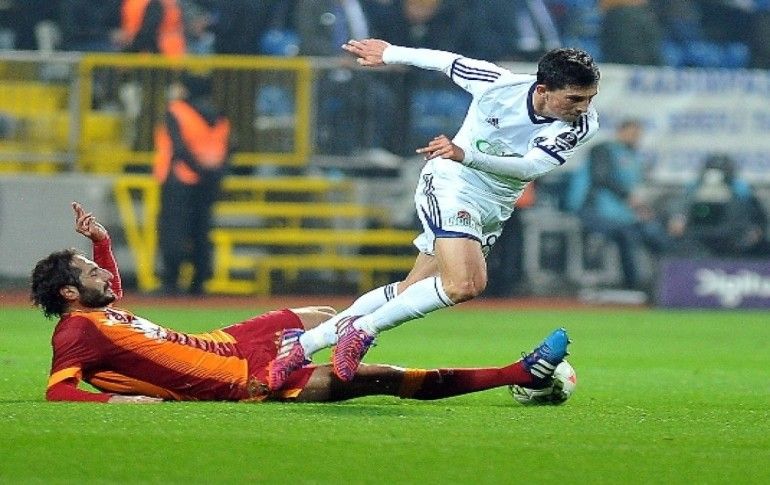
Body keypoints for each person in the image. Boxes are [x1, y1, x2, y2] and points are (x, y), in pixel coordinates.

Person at [267, 37, 595, 390]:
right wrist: (390, 53)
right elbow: (447, 60)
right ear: (543, 90)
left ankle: (302, 345)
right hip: (452, 185)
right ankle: (361, 329)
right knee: (464, 284)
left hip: (494, 204)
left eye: (589, 98)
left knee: (411, 290)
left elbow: (530, 167)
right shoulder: (498, 85)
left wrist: (465, 153)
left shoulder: (580, 125)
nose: (584, 107)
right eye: (574, 99)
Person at [31, 202, 568, 403]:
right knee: (380, 379)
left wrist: (101, 241)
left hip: (227, 342)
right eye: (91, 272)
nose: (104, 272)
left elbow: (114, 296)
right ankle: (517, 373)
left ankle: (360, 330)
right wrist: (119, 403)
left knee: (326, 317)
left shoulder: (99, 313)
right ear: (69, 294)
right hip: (238, 380)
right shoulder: (75, 332)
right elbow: (60, 393)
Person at [565, 119, 670, 290]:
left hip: (624, 214)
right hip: (592, 210)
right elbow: (602, 178)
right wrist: (628, 198)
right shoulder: (602, 151)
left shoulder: (633, 157)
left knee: (654, 232)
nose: (635, 138)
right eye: (632, 133)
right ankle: (631, 284)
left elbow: (637, 192)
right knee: (626, 234)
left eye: (638, 135)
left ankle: (663, 282)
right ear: (620, 132)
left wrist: (642, 209)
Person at [153, 73, 231, 295]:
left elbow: (179, 148)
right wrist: (213, 173)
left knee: (173, 232)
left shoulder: (177, 111)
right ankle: (199, 282)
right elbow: (227, 148)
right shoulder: (219, 115)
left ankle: (171, 281)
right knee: (202, 232)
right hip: (210, 181)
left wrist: (196, 170)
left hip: (180, 180)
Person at [666, 153, 769, 258]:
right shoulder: (692, 191)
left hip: (734, 242)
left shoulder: (742, 193)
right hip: (696, 240)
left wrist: (756, 230)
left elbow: (759, 217)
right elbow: (679, 206)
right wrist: (678, 217)